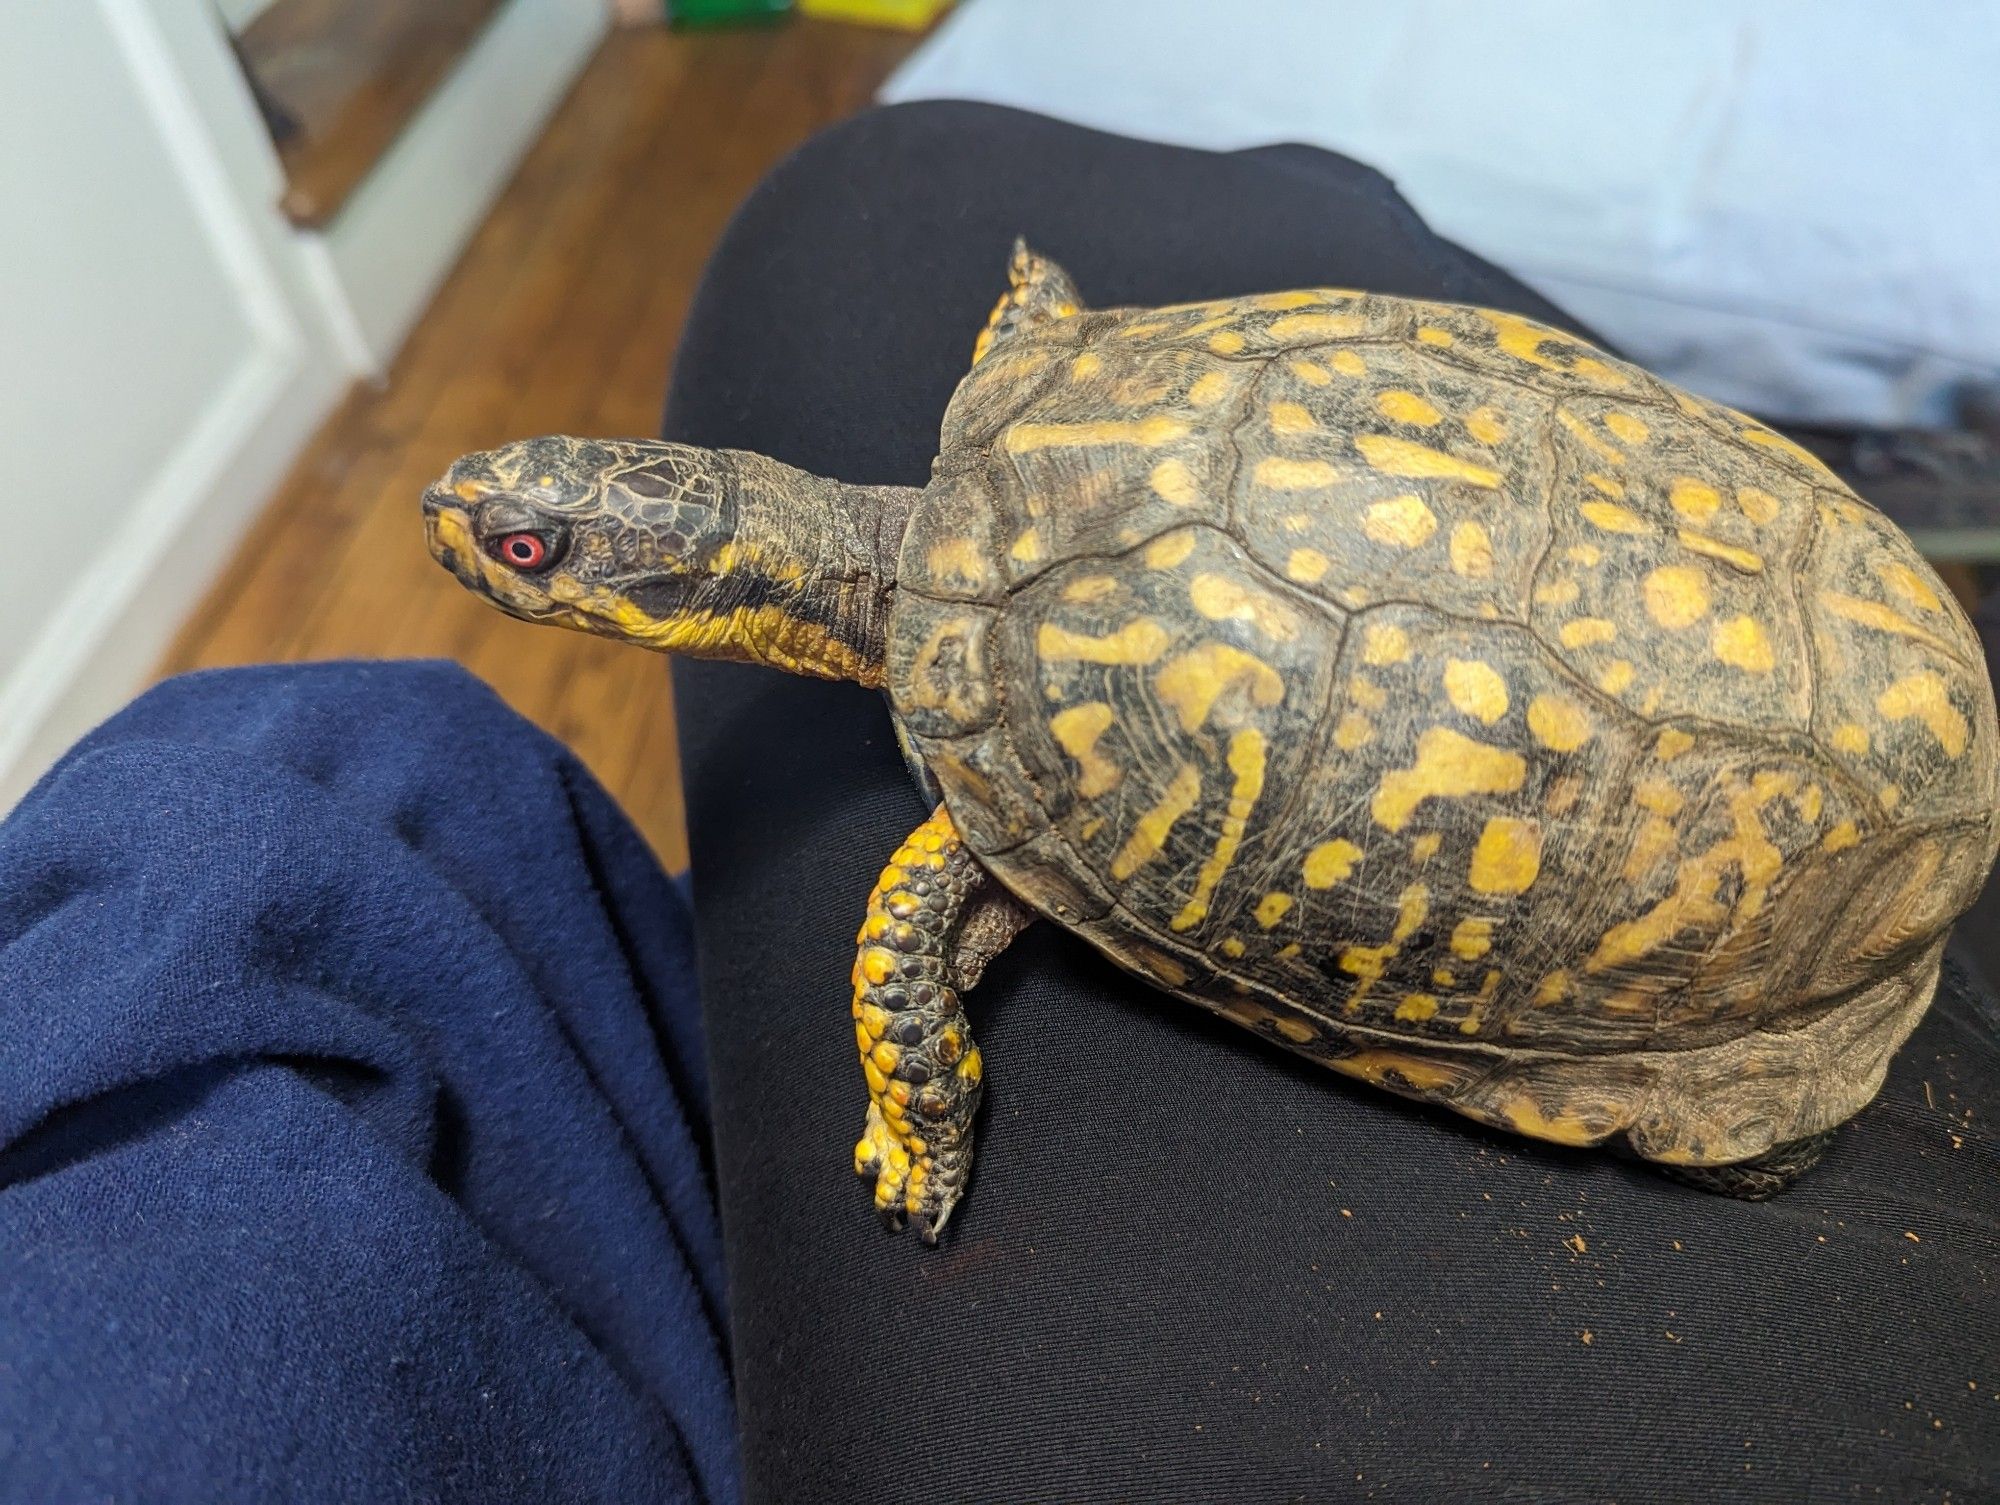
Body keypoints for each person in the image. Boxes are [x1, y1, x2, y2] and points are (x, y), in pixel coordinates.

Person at [2, 103, 1994, 1503]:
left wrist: (912, 1093)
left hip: (1777, 911)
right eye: (533, 537)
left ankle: (1749, 1070)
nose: (491, 542)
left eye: (533, 553)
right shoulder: (1053, 383)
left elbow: (913, 948)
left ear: (666, 593)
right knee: (886, 183)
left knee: (862, 211)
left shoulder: (989, 696)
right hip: (1840, 607)